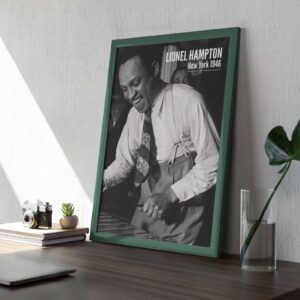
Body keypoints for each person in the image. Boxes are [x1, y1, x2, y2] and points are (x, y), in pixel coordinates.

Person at [103, 46, 219, 245]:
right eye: (124, 89)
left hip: (182, 224)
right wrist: (98, 182)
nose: (130, 95)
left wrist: (169, 195)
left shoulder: (189, 101)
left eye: (135, 83)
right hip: (145, 218)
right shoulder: (134, 115)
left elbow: (213, 162)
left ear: (155, 70)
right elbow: (124, 162)